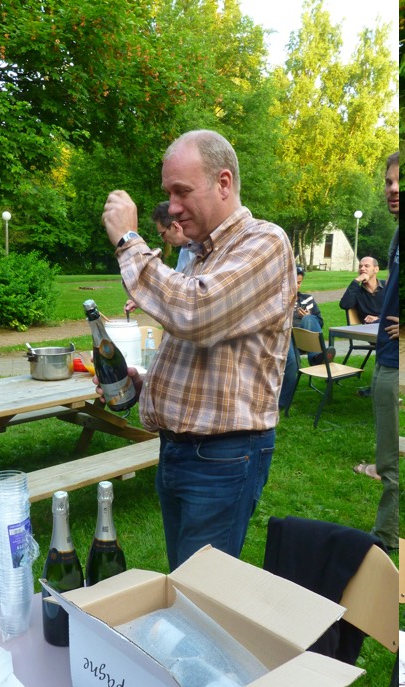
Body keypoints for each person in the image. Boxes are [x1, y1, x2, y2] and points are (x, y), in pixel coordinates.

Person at [101, 129, 296, 569]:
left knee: (200, 592)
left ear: (223, 183)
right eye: (168, 192)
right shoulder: (202, 253)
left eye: (181, 191)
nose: (171, 206)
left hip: (223, 457)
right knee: (185, 580)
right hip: (180, 451)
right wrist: (149, 384)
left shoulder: (264, 243)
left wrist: (128, 241)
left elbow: (196, 312)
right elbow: (200, 348)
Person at [353, 152, 399, 550]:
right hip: (387, 354)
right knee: (389, 455)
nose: (393, 189)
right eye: (389, 181)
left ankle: (386, 537)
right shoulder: (397, 236)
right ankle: (387, 534)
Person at [278, 266, 335, 411]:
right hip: (286, 337)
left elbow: (319, 323)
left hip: (305, 338)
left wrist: (308, 316)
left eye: (299, 282)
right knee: (291, 360)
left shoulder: (307, 299)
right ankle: (283, 402)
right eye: (293, 282)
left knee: (310, 318)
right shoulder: (279, 300)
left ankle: (316, 357)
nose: (296, 285)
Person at [124, 201, 194, 316]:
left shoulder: (204, 248)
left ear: (175, 226)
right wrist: (141, 298)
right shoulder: (185, 250)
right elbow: (172, 286)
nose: (163, 239)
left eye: (162, 234)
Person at [339, 257, 385, 323]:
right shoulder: (356, 290)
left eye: (367, 266)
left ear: (376, 269)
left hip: (389, 324)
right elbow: (345, 305)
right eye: (360, 266)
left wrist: (378, 318)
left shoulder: (387, 286)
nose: (362, 269)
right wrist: (356, 281)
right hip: (369, 326)